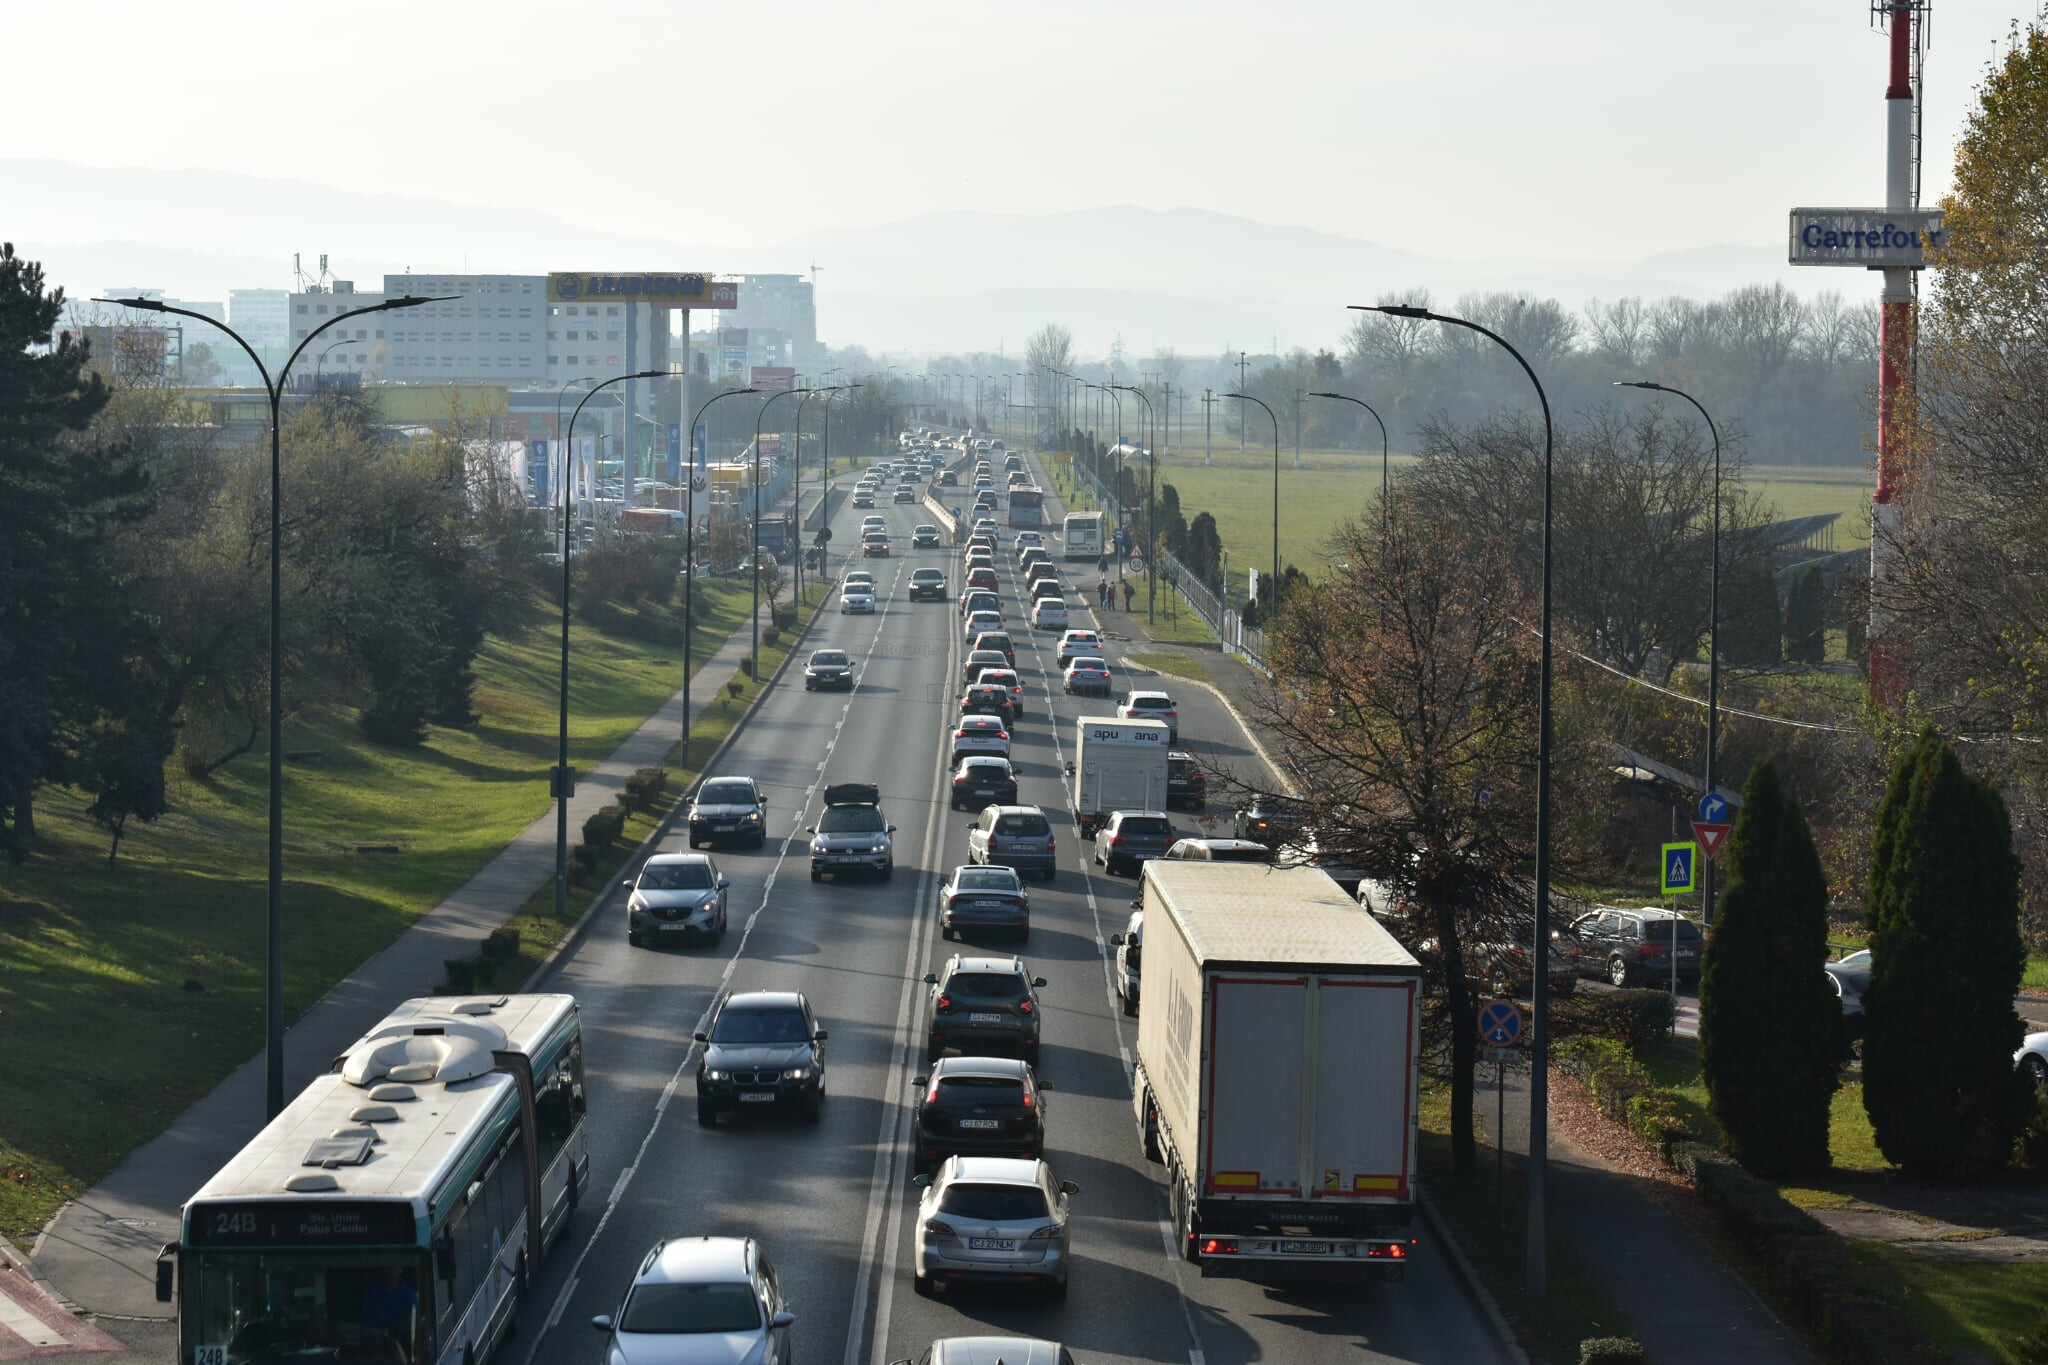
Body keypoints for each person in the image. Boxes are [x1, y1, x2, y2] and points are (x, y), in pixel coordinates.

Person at [360, 1267, 417, 1358]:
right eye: (389, 1267)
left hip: (400, 1340)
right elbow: (364, 1321)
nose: (392, 1269)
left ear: (401, 1269)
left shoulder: (410, 1294)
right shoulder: (374, 1292)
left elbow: (414, 1322)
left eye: (395, 1266)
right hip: (375, 1340)